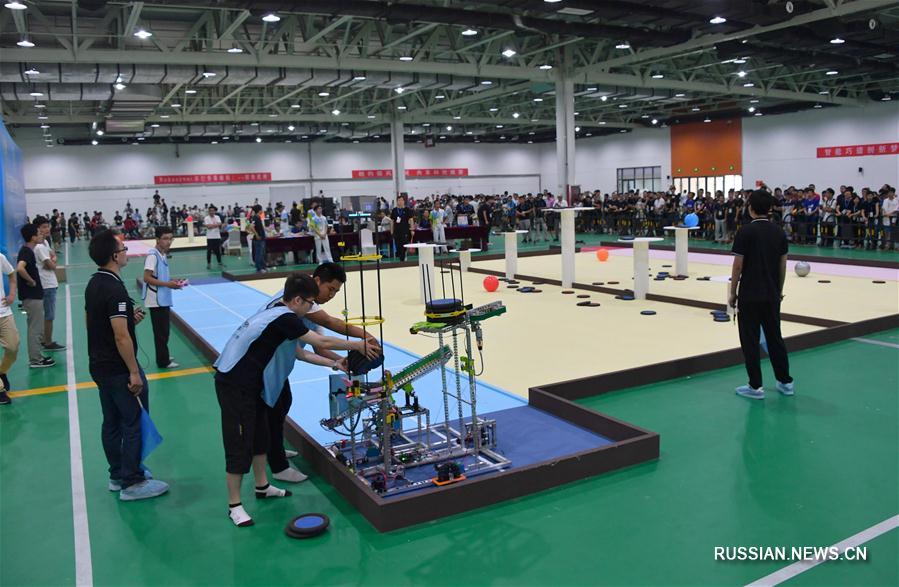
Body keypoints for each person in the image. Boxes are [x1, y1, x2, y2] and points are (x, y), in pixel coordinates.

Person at [213, 272, 374, 527]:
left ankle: (262, 486)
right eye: (310, 303)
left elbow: (299, 353)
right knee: (239, 445)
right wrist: (357, 344)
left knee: (261, 435)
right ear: (298, 300)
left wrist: (335, 363)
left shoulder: (278, 312)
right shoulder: (284, 317)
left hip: (254, 383)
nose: (311, 309)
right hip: (234, 383)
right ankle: (234, 506)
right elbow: (320, 340)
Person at [266, 263, 382, 483]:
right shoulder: (301, 300)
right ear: (317, 281)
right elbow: (330, 324)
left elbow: (319, 348)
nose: (331, 295)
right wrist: (365, 338)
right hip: (265, 364)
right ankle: (278, 466)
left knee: (282, 404)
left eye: (336, 292)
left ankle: (275, 450)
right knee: (271, 411)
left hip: (279, 363)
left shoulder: (309, 306)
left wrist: (342, 363)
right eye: (330, 289)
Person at [86, 230, 169, 500]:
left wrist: (127, 320)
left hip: (99, 365)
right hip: (118, 368)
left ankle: (117, 474)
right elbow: (121, 337)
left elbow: (94, 323)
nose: (126, 253)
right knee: (132, 421)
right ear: (114, 256)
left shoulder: (94, 283)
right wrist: (133, 372)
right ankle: (132, 482)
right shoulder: (115, 289)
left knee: (111, 421)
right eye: (123, 249)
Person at [728, 190, 794, 400]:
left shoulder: (745, 232)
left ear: (750, 208)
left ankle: (755, 386)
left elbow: (738, 266)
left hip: (749, 295)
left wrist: (732, 292)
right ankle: (785, 382)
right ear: (769, 209)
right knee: (775, 338)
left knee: (750, 340)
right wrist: (779, 290)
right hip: (772, 295)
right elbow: (782, 265)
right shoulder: (779, 232)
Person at [142, 226, 183, 369]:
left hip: (163, 298)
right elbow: (146, 278)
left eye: (171, 238)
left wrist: (173, 282)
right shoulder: (152, 256)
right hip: (156, 300)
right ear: (157, 239)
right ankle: (162, 361)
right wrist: (167, 284)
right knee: (160, 332)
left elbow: (160, 276)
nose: (168, 242)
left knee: (164, 331)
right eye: (165, 238)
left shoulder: (162, 254)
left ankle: (163, 355)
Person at [17, 224, 55, 368]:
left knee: (36, 328)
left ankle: (37, 357)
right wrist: (31, 281)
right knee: (35, 329)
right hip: (31, 296)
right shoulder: (26, 251)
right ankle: (35, 359)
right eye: (39, 233)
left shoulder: (28, 251)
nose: (41, 235)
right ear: (33, 237)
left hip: (34, 296)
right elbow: (20, 268)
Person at [33, 216, 65, 352]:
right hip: (46, 285)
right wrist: (53, 262)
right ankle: (48, 342)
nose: (47, 229)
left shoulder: (45, 242)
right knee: (49, 315)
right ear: (37, 229)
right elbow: (51, 265)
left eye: (48, 226)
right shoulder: (39, 247)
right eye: (44, 227)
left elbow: (53, 255)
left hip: (50, 283)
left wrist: (53, 260)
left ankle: (44, 340)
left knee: (47, 314)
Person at [0, 251, 19, 405]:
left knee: (13, 347)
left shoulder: (0, 257)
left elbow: (12, 274)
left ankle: (1, 371)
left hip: (3, 311)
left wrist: (12, 294)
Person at [390, 195, 413, 261]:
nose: (400, 202)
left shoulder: (407, 209)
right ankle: (401, 257)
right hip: (396, 231)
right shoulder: (394, 210)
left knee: (404, 244)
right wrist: (391, 230)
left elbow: (411, 220)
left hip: (405, 230)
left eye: (402, 200)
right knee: (398, 245)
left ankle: (402, 258)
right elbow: (392, 221)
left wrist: (412, 229)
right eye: (399, 200)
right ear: (397, 201)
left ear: (404, 201)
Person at [247, 204, 267, 273]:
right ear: (259, 210)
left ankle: (264, 267)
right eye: (261, 209)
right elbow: (251, 227)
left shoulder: (258, 217)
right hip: (259, 239)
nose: (262, 210)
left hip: (261, 238)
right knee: (259, 254)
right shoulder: (255, 217)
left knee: (262, 254)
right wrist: (257, 235)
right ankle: (259, 269)